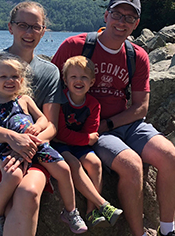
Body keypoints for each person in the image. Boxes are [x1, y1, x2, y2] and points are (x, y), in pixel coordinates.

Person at [52, 0, 175, 236]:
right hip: (90, 125)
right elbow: (50, 89)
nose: (122, 22)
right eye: (117, 14)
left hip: (123, 123)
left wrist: (108, 125)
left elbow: (141, 107)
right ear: (106, 15)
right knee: (132, 165)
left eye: (129, 18)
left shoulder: (137, 56)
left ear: (136, 24)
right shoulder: (76, 46)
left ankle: (167, 230)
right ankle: (138, 233)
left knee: (170, 156)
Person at [0, 52, 87, 235]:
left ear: (22, 80)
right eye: (3, 77)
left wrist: (37, 128)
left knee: (64, 169)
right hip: (6, 150)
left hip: (36, 146)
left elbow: (44, 120)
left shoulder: (24, 100)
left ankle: (71, 212)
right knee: (12, 177)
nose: (10, 80)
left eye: (15, 76)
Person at [0, 1, 67, 236]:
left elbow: (51, 126)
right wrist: (12, 139)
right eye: (23, 25)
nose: (29, 32)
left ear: (44, 31)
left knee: (29, 194)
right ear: (10, 27)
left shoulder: (49, 71)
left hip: (32, 154)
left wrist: (25, 146)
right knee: (12, 207)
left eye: (36, 27)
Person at [51, 55, 123, 228]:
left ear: (92, 82)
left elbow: (91, 134)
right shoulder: (60, 101)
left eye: (84, 77)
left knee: (95, 163)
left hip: (78, 144)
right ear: (65, 80)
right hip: (60, 144)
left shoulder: (93, 104)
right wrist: (85, 139)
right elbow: (60, 134)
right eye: (73, 77)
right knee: (73, 165)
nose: (78, 81)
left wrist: (85, 139)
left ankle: (92, 212)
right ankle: (103, 205)